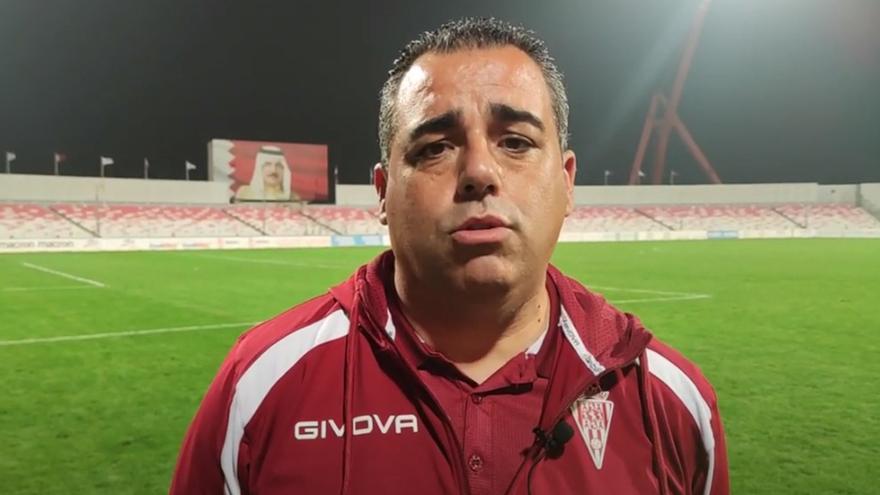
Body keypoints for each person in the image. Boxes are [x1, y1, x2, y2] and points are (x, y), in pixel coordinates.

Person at [170, 18, 729, 495]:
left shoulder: (669, 400)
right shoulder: (261, 385)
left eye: (515, 141)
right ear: (383, 193)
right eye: (435, 148)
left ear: (566, 182)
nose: (480, 173)